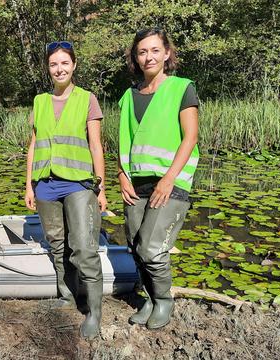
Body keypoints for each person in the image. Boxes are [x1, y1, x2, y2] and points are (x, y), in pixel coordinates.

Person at [118, 28, 199, 329]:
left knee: (151, 248)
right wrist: (121, 175)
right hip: (135, 183)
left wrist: (168, 179)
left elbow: (190, 137)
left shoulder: (182, 88)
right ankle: (149, 299)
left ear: (166, 54)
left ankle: (164, 301)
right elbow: (124, 141)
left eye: (154, 50)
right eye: (142, 52)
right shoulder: (129, 96)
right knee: (135, 244)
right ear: (136, 58)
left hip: (171, 182)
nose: (148, 56)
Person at [24, 41, 107, 338]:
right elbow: (34, 144)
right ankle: (67, 294)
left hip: (78, 182)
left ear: (74, 66)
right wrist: (29, 185)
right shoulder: (39, 101)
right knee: (58, 244)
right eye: (53, 64)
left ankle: (94, 312)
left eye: (64, 63)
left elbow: (96, 144)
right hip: (46, 183)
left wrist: (101, 186)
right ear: (48, 69)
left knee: (84, 247)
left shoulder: (88, 99)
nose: (59, 69)